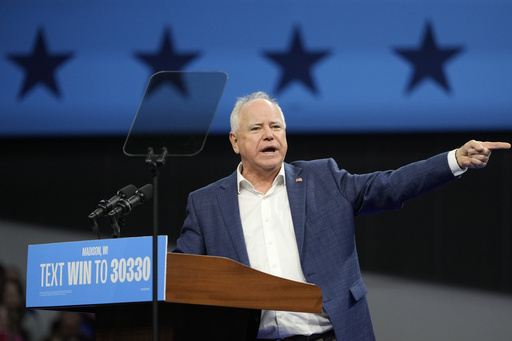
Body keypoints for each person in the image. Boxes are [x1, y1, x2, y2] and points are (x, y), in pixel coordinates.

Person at [173, 91, 510, 341]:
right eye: (257, 128)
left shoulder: (324, 178)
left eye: (276, 126)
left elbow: (390, 186)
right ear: (235, 141)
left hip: (331, 335)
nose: (269, 134)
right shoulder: (206, 204)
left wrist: (455, 160)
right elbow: (183, 278)